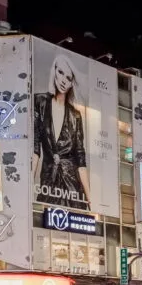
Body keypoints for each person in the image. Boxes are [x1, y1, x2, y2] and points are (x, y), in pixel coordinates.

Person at [32, 52, 90, 211]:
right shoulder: (40, 102)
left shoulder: (75, 115)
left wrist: (91, 200)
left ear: (72, 83)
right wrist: (28, 183)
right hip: (49, 182)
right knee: (43, 227)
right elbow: (35, 148)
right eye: (61, 72)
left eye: (69, 78)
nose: (64, 80)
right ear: (54, 71)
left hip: (71, 186)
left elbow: (80, 159)